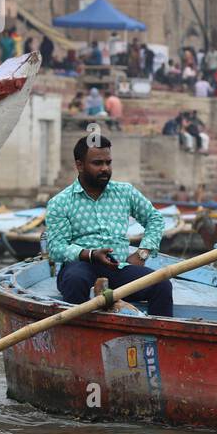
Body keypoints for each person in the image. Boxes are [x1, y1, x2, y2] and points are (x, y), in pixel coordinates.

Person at [44, 135, 172, 317]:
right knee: (75, 280)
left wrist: (142, 252)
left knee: (161, 284)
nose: (105, 168)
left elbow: (155, 219)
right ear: (80, 165)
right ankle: (79, 337)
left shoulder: (125, 192)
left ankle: (160, 339)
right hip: (80, 266)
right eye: (97, 163)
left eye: (108, 162)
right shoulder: (60, 202)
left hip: (118, 267)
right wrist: (90, 254)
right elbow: (57, 248)